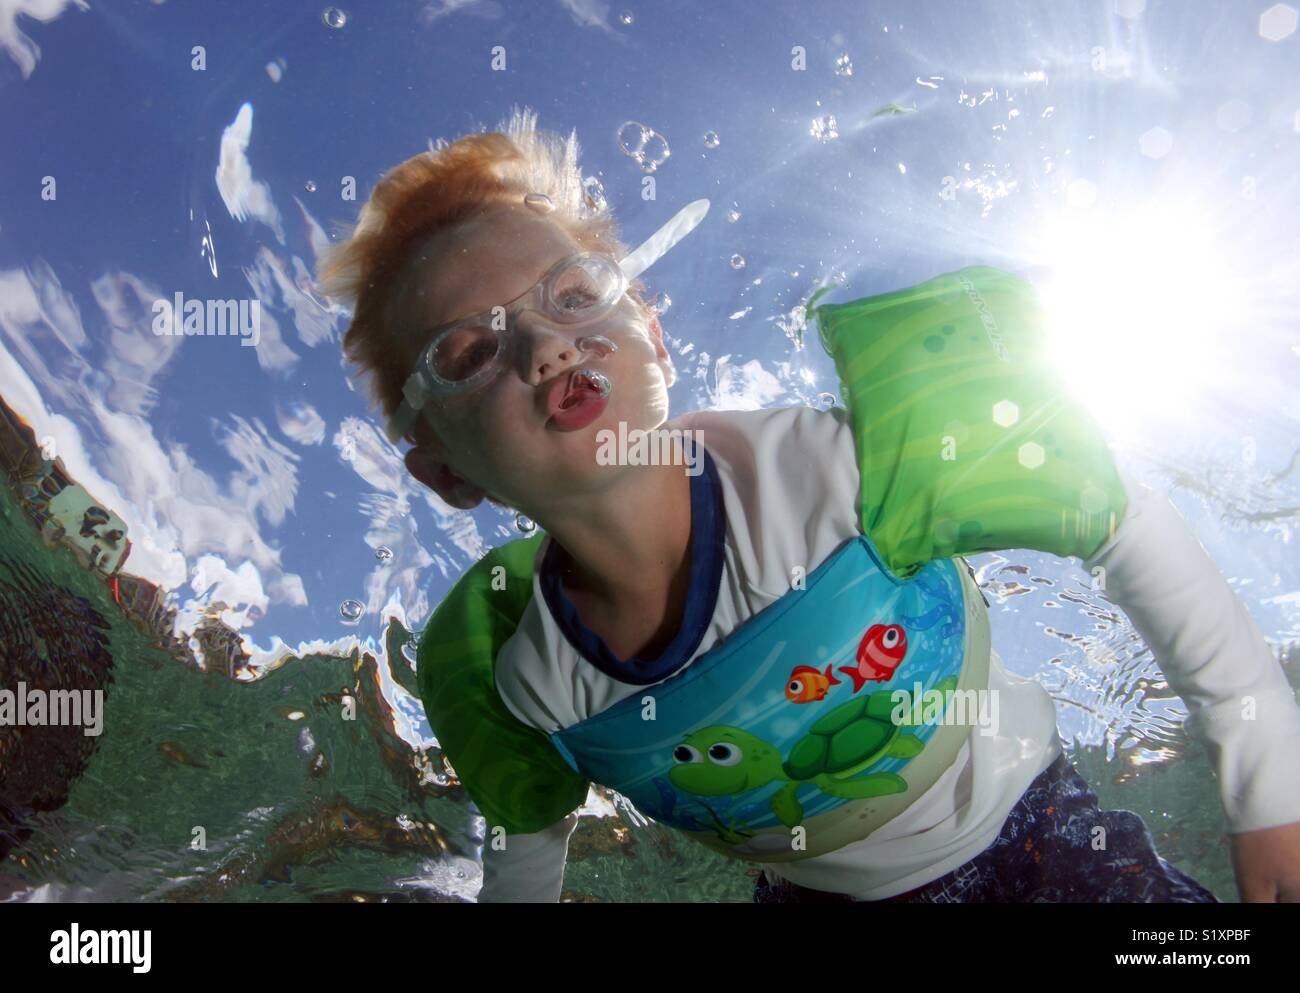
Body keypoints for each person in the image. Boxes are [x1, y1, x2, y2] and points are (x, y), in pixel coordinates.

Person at [317, 106, 1300, 903]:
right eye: (470, 350)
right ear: (444, 471)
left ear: (654, 341)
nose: (546, 346)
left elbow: (1117, 521)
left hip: (1037, 836)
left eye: (573, 295)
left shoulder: (838, 474)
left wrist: (1270, 789)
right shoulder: (530, 683)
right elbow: (528, 852)